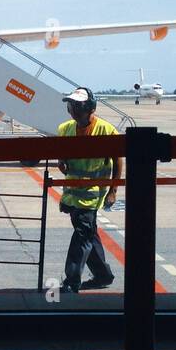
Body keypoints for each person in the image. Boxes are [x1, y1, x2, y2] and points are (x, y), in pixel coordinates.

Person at [56, 87, 121, 293]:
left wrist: (113, 190)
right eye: (71, 105)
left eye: (78, 106)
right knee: (89, 234)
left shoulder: (106, 130)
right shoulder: (65, 129)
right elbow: (62, 154)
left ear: (90, 107)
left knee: (82, 235)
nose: (73, 110)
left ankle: (71, 280)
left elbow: (118, 160)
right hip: (73, 193)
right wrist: (62, 161)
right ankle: (103, 275)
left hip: (93, 195)